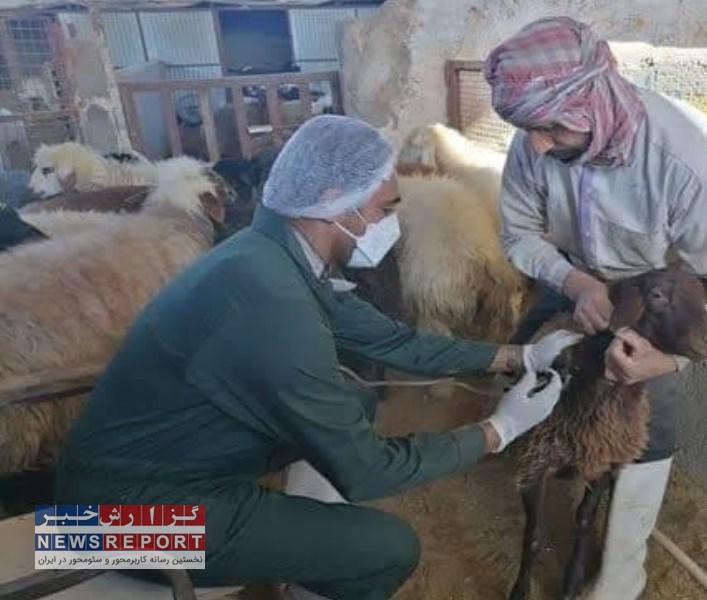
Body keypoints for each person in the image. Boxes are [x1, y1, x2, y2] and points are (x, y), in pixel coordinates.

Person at [53, 115, 585, 600]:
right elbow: (368, 472)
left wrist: (516, 356)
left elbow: (394, 342)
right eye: (384, 209)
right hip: (117, 527)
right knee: (388, 547)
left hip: (149, 470)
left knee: (352, 399)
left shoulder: (268, 255)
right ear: (336, 202)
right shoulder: (275, 306)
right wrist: (498, 430)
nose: (392, 223)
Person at [483, 17, 707, 600]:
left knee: (648, 424)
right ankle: (524, 457)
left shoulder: (687, 158)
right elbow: (518, 232)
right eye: (526, 128)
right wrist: (577, 283)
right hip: (571, 278)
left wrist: (666, 359)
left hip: (658, 299)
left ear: (593, 102)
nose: (536, 144)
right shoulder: (536, 141)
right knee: (527, 368)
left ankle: (619, 578)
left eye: (550, 127)